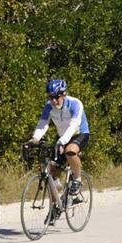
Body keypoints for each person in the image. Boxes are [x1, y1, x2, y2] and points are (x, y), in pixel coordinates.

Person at [29, 79, 89, 221]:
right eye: (51, 97)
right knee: (50, 172)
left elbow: (74, 125)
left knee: (69, 151)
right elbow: (43, 124)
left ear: (64, 94)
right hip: (62, 136)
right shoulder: (49, 106)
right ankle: (57, 205)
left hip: (79, 133)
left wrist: (61, 142)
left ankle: (78, 179)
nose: (54, 100)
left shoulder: (75, 103)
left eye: (57, 97)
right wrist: (34, 139)